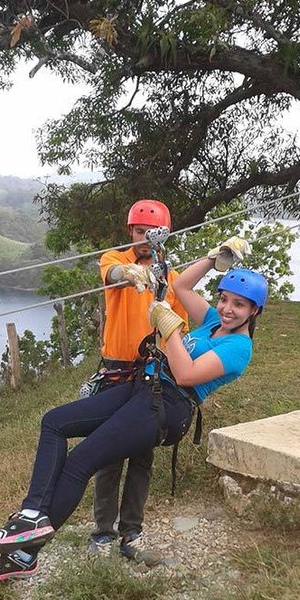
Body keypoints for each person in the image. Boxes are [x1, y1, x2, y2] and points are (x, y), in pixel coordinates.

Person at [0, 244, 265, 581]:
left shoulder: (239, 348)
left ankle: (23, 556)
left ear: (254, 310)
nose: (227, 309)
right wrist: (213, 259)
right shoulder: (212, 323)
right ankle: (32, 514)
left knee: (82, 461)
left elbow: (185, 375)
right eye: (224, 299)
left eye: (239, 304)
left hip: (165, 406)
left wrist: (170, 332)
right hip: (145, 387)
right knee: (54, 422)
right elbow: (181, 286)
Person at [89, 199, 188, 564]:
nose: (144, 238)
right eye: (138, 231)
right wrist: (132, 275)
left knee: (141, 456)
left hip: (153, 373)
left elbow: (179, 330)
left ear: (164, 235)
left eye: (151, 232)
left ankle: (131, 532)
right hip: (117, 369)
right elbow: (111, 276)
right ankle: (102, 532)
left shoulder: (173, 280)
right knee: (109, 454)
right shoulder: (114, 261)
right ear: (130, 232)